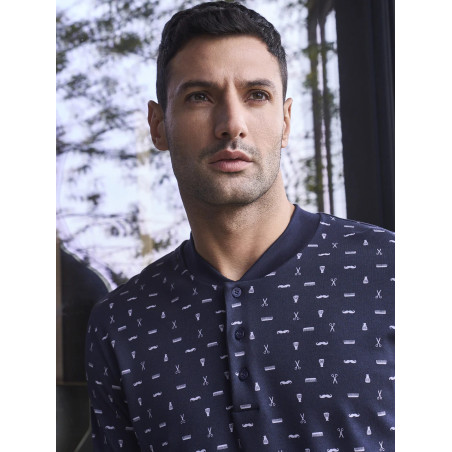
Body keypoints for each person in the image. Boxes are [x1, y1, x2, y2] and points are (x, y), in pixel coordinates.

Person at [85, 2, 395, 451]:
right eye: (200, 96)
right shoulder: (121, 323)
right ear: (158, 125)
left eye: (256, 95)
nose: (232, 124)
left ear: (285, 121)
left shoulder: (391, 270)